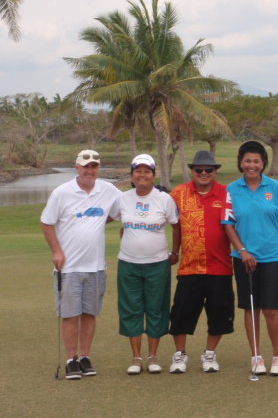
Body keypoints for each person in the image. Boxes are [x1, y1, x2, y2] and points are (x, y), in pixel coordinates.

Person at [40, 149, 121, 379]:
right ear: (77, 167)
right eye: (86, 166)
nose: (90, 170)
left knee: (89, 313)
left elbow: (123, 208)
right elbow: (46, 223)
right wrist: (57, 251)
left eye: (94, 166)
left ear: (98, 168)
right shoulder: (62, 192)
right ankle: (71, 360)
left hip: (96, 266)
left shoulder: (108, 190)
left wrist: (106, 222)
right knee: (70, 314)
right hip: (69, 267)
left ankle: (85, 357)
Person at [223, 140, 278, 376]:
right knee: (251, 308)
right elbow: (228, 225)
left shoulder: (274, 187)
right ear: (240, 163)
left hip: (272, 257)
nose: (251, 165)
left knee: (271, 309)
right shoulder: (232, 189)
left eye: (256, 161)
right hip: (243, 257)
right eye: (247, 161)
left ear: (263, 163)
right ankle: (256, 356)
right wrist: (243, 251)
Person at [109, 154, 180, 375]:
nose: (142, 175)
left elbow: (176, 226)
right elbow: (108, 218)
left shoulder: (164, 199)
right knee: (131, 309)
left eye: (146, 171)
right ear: (132, 175)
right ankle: (136, 357)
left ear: (153, 174)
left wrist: (175, 252)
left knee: (156, 308)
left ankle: (153, 356)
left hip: (157, 263)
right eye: (138, 171)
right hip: (129, 263)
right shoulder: (123, 198)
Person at [167, 150, 235, 374]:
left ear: (215, 171)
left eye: (209, 169)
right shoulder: (179, 193)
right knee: (181, 313)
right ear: (192, 171)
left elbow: (248, 215)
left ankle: (209, 354)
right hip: (190, 266)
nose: (204, 173)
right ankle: (180, 355)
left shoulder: (227, 193)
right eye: (199, 170)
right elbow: (163, 215)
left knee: (218, 314)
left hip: (220, 266)